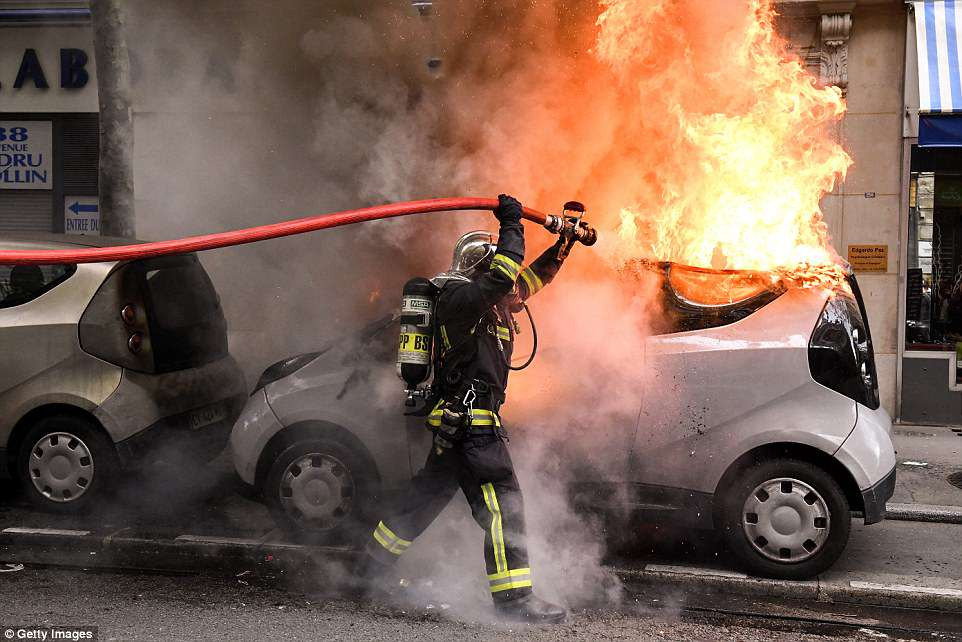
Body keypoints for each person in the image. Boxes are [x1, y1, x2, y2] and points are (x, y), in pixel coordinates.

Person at [358, 194, 575, 623]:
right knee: (503, 508)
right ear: (481, 268)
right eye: (496, 267)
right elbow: (505, 274)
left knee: (421, 501)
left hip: (457, 424)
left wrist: (563, 245)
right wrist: (512, 223)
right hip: (472, 426)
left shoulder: (493, 305)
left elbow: (530, 279)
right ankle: (514, 601)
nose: (510, 283)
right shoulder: (457, 299)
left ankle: (367, 570)